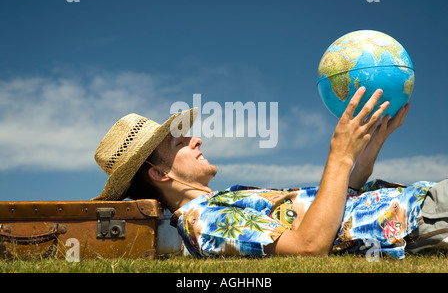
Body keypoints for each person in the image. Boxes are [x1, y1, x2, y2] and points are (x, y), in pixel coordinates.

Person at [92, 87, 446, 259]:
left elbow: (329, 212)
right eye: (179, 143)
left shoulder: (224, 200)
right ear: (159, 174)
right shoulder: (203, 221)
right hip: (418, 221)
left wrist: (364, 156)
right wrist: (337, 155)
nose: (196, 139)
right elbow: (308, 248)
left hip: (418, 206)